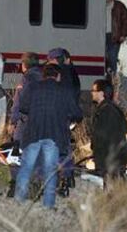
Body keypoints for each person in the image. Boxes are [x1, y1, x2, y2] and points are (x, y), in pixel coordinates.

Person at [14, 64, 83, 208]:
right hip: (54, 135)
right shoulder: (64, 90)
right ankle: (48, 205)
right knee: (50, 171)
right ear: (58, 76)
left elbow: (23, 107)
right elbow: (77, 113)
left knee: (26, 168)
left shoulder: (33, 87)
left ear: (43, 75)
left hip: (33, 133)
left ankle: (19, 201)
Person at [7, 52, 42, 198]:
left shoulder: (26, 79)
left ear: (24, 65)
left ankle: (16, 186)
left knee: (16, 153)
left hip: (25, 122)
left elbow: (18, 103)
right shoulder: (44, 77)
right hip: (41, 122)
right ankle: (36, 187)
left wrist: (12, 122)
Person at [46, 47, 81, 191]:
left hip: (59, 117)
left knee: (60, 149)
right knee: (64, 148)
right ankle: (68, 177)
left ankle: (64, 179)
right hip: (66, 117)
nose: (49, 62)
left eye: (52, 60)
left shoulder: (62, 74)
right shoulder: (71, 72)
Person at [90, 79, 127, 185]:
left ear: (101, 93)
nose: (91, 93)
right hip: (113, 159)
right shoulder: (110, 109)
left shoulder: (106, 111)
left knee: (111, 190)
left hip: (111, 160)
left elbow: (103, 136)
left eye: (94, 90)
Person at [105, 0, 127, 77]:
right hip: (102, 36)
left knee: (112, 58)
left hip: (114, 37)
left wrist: (123, 35)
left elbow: (126, 21)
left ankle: (112, 81)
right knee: (103, 59)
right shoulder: (101, 5)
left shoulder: (119, 6)